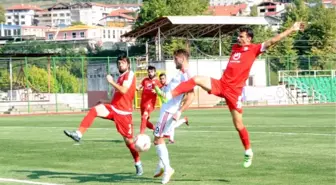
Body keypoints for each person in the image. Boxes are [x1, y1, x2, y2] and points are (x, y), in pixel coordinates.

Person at [160, 22, 305, 168]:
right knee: (196, 79)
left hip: (234, 92)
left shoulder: (255, 49)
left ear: (249, 38)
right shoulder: (235, 48)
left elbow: (273, 40)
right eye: (238, 35)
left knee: (238, 124)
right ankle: (169, 95)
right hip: (221, 84)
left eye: (241, 36)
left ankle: (248, 150)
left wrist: (292, 29)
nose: (238, 38)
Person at [63, 55, 143, 176]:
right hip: (114, 109)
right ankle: (78, 134)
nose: (120, 65)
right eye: (118, 63)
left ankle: (138, 163)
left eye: (122, 62)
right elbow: (122, 93)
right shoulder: (121, 77)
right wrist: (106, 101)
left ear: (128, 64)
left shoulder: (129, 74)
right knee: (94, 110)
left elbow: (124, 90)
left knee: (129, 142)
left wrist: (111, 82)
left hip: (124, 114)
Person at [152, 49, 194, 184]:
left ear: (181, 59)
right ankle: (161, 164)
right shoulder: (180, 73)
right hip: (166, 109)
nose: (174, 61)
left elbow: (191, 96)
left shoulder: (186, 75)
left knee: (157, 139)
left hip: (169, 111)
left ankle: (167, 168)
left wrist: (179, 111)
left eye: (175, 59)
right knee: (160, 138)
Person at [137, 66, 160, 134]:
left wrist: (156, 91)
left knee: (144, 117)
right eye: (149, 72)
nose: (150, 73)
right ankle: (156, 130)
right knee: (145, 121)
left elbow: (160, 90)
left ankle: (141, 135)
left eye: (152, 72)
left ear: (155, 72)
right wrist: (136, 88)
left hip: (150, 103)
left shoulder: (157, 81)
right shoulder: (145, 80)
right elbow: (139, 87)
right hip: (143, 103)